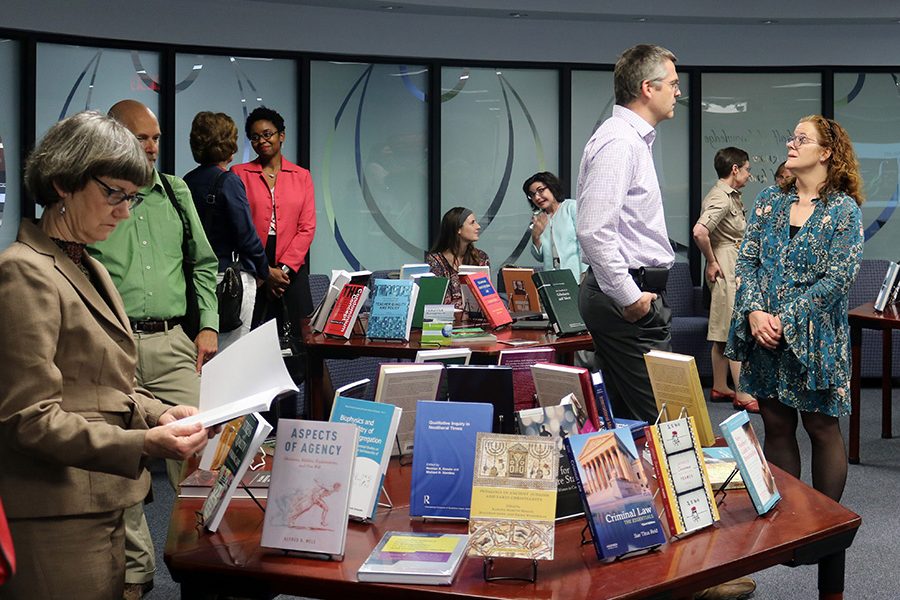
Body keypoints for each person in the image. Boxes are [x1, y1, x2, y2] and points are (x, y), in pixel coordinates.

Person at [0, 111, 213, 600]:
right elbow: (29, 420)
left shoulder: (87, 265)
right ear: (63, 184)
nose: (123, 211)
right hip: (55, 512)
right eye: (112, 193)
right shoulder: (24, 272)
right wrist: (144, 443)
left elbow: (107, 388)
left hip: (98, 500)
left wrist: (161, 412)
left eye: (131, 197)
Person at [725, 115, 863, 600]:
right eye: (792, 137)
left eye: (801, 139)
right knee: (777, 425)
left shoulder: (843, 211)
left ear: (826, 152)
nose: (791, 143)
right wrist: (757, 312)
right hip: (766, 336)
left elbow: (839, 278)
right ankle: (786, 521)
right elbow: (748, 260)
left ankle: (824, 527)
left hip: (814, 339)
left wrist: (785, 316)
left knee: (822, 428)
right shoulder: (768, 201)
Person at [88, 99, 219, 598]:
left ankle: (204, 563)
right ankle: (137, 575)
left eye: (156, 137)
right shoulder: (94, 199)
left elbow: (204, 264)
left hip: (170, 341)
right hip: (110, 343)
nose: (150, 147)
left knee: (201, 450)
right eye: (140, 137)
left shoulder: (176, 192)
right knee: (121, 462)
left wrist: (206, 325)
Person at [575, 44, 679, 424]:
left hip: (629, 296)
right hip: (627, 300)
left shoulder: (631, 139)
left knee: (621, 422)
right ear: (647, 88)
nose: (678, 92)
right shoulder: (620, 141)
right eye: (672, 84)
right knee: (664, 423)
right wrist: (630, 297)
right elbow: (593, 230)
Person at [183, 111, 269, 350]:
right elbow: (247, 235)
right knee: (232, 355)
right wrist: (264, 270)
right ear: (229, 144)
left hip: (195, 279)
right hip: (230, 280)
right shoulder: (228, 181)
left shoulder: (186, 181)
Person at [231, 106, 316, 335]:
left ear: (282, 135)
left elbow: (307, 228)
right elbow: (238, 228)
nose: (262, 141)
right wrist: (265, 272)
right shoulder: (238, 173)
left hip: (292, 268)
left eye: (267, 134)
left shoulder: (302, 176)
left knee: (300, 339)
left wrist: (283, 271)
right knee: (251, 337)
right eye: (255, 137)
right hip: (253, 266)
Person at [692, 147, 758, 413]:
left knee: (722, 328)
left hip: (727, 262)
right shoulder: (720, 197)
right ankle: (742, 392)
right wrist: (711, 260)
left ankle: (720, 385)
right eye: (747, 169)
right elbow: (699, 232)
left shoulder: (726, 194)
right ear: (735, 169)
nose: (749, 175)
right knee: (734, 327)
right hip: (726, 264)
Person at [424, 207, 490, 309]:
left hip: (477, 319)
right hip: (448, 322)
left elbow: (487, 297)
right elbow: (438, 303)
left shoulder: (481, 257)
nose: (478, 226)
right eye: (472, 223)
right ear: (458, 229)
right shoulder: (435, 261)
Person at [524, 171, 585, 278]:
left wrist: (584, 273)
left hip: (576, 276)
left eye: (541, 190)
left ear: (552, 187)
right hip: (552, 278)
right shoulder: (539, 218)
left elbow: (584, 245)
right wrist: (535, 236)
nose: (537, 197)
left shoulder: (571, 207)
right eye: (532, 195)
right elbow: (539, 257)